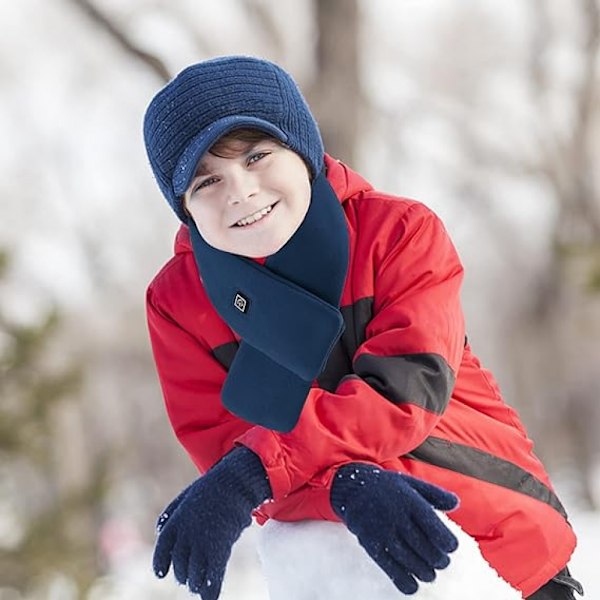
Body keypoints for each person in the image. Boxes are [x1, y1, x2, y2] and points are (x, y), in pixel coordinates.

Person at [142, 56, 583, 600]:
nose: (240, 190)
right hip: (344, 568)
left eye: (258, 155)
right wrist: (341, 488)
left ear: (302, 150)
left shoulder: (398, 234)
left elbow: (404, 394)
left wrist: (255, 469)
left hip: (499, 539)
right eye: (207, 180)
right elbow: (230, 451)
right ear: (182, 206)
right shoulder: (177, 303)